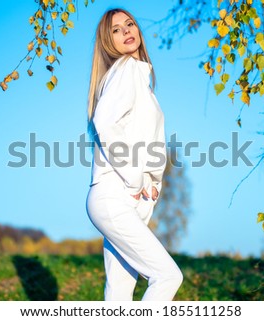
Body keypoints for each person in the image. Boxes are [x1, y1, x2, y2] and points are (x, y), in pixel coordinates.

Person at [85, 8, 183, 301]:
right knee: (167, 276)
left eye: (130, 24)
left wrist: (152, 180)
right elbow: (104, 123)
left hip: (124, 199)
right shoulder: (126, 70)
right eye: (116, 30)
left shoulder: (138, 78)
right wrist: (135, 177)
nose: (126, 31)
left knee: (119, 294)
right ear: (107, 42)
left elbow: (145, 139)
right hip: (115, 196)